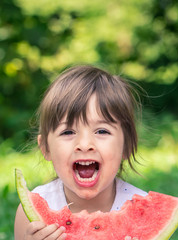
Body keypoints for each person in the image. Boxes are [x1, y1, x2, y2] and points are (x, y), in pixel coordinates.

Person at [14, 65, 146, 240]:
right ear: (46, 148)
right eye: (68, 132)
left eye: (102, 131)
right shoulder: (29, 212)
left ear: (127, 147)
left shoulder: (142, 209)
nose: (84, 145)